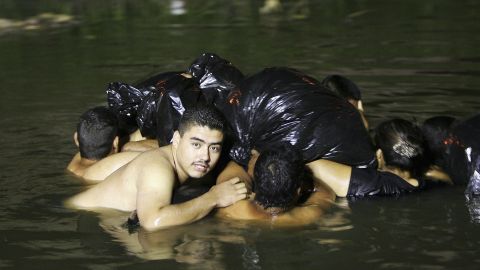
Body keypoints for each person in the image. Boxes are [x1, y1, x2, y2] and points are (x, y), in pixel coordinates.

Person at [66, 106, 248, 231]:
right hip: (81, 219)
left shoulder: (185, 164)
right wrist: (214, 197)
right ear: (176, 139)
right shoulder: (157, 167)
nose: (205, 156)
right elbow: (153, 222)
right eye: (196, 144)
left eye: (214, 147)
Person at [215, 145, 335, 226]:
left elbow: (233, 165)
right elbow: (325, 192)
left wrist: (255, 167)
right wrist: (294, 172)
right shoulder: (309, 216)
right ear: (299, 190)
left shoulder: (230, 210)